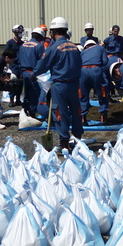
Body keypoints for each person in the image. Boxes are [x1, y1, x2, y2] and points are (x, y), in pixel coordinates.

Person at [34, 16, 84, 151]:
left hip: (60, 85)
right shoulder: (74, 47)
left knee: (60, 113)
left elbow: (42, 66)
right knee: (76, 111)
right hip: (74, 85)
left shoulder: (54, 48)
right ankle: (79, 143)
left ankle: (65, 143)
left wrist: (34, 74)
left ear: (53, 32)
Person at [80, 38, 110, 124]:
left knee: (83, 94)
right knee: (102, 92)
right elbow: (105, 61)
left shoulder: (82, 53)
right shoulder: (100, 48)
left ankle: (83, 118)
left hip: (83, 71)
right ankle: (103, 117)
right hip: (96, 70)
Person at [19, 28, 46, 119]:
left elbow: (19, 60)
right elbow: (41, 61)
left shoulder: (23, 45)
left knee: (26, 92)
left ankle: (25, 109)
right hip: (33, 73)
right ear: (40, 36)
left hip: (24, 72)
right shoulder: (39, 46)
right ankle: (33, 113)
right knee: (34, 93)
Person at [5, 24, 25, 106]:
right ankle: (11, 99)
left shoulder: (23, 43)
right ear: (15, 33)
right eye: (19, 32)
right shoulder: (10, 43)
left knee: (20, 83)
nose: (20, 33)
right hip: (13, 65)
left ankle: (18, 99)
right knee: (13, 82)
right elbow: (6, 54)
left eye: (21, 32)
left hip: (21, 65)